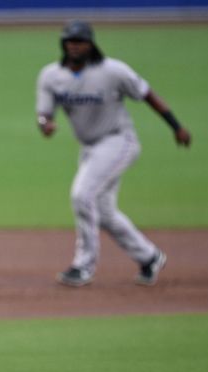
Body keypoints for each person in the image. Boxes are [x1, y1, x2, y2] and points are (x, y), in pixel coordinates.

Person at [36, 20, 192, 287]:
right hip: (89, 149)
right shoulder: (51, 75)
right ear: (64, 45)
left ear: (90, 44)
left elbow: (148, 95)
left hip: (119, 141)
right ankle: (149, 257)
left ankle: (83, 266)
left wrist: (176, 127)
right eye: (70, 41)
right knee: (104, 211)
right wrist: (45, 124)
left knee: (82, 195)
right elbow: (44, 114)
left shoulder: (113, 71)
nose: (75, 46)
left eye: (80, 41)